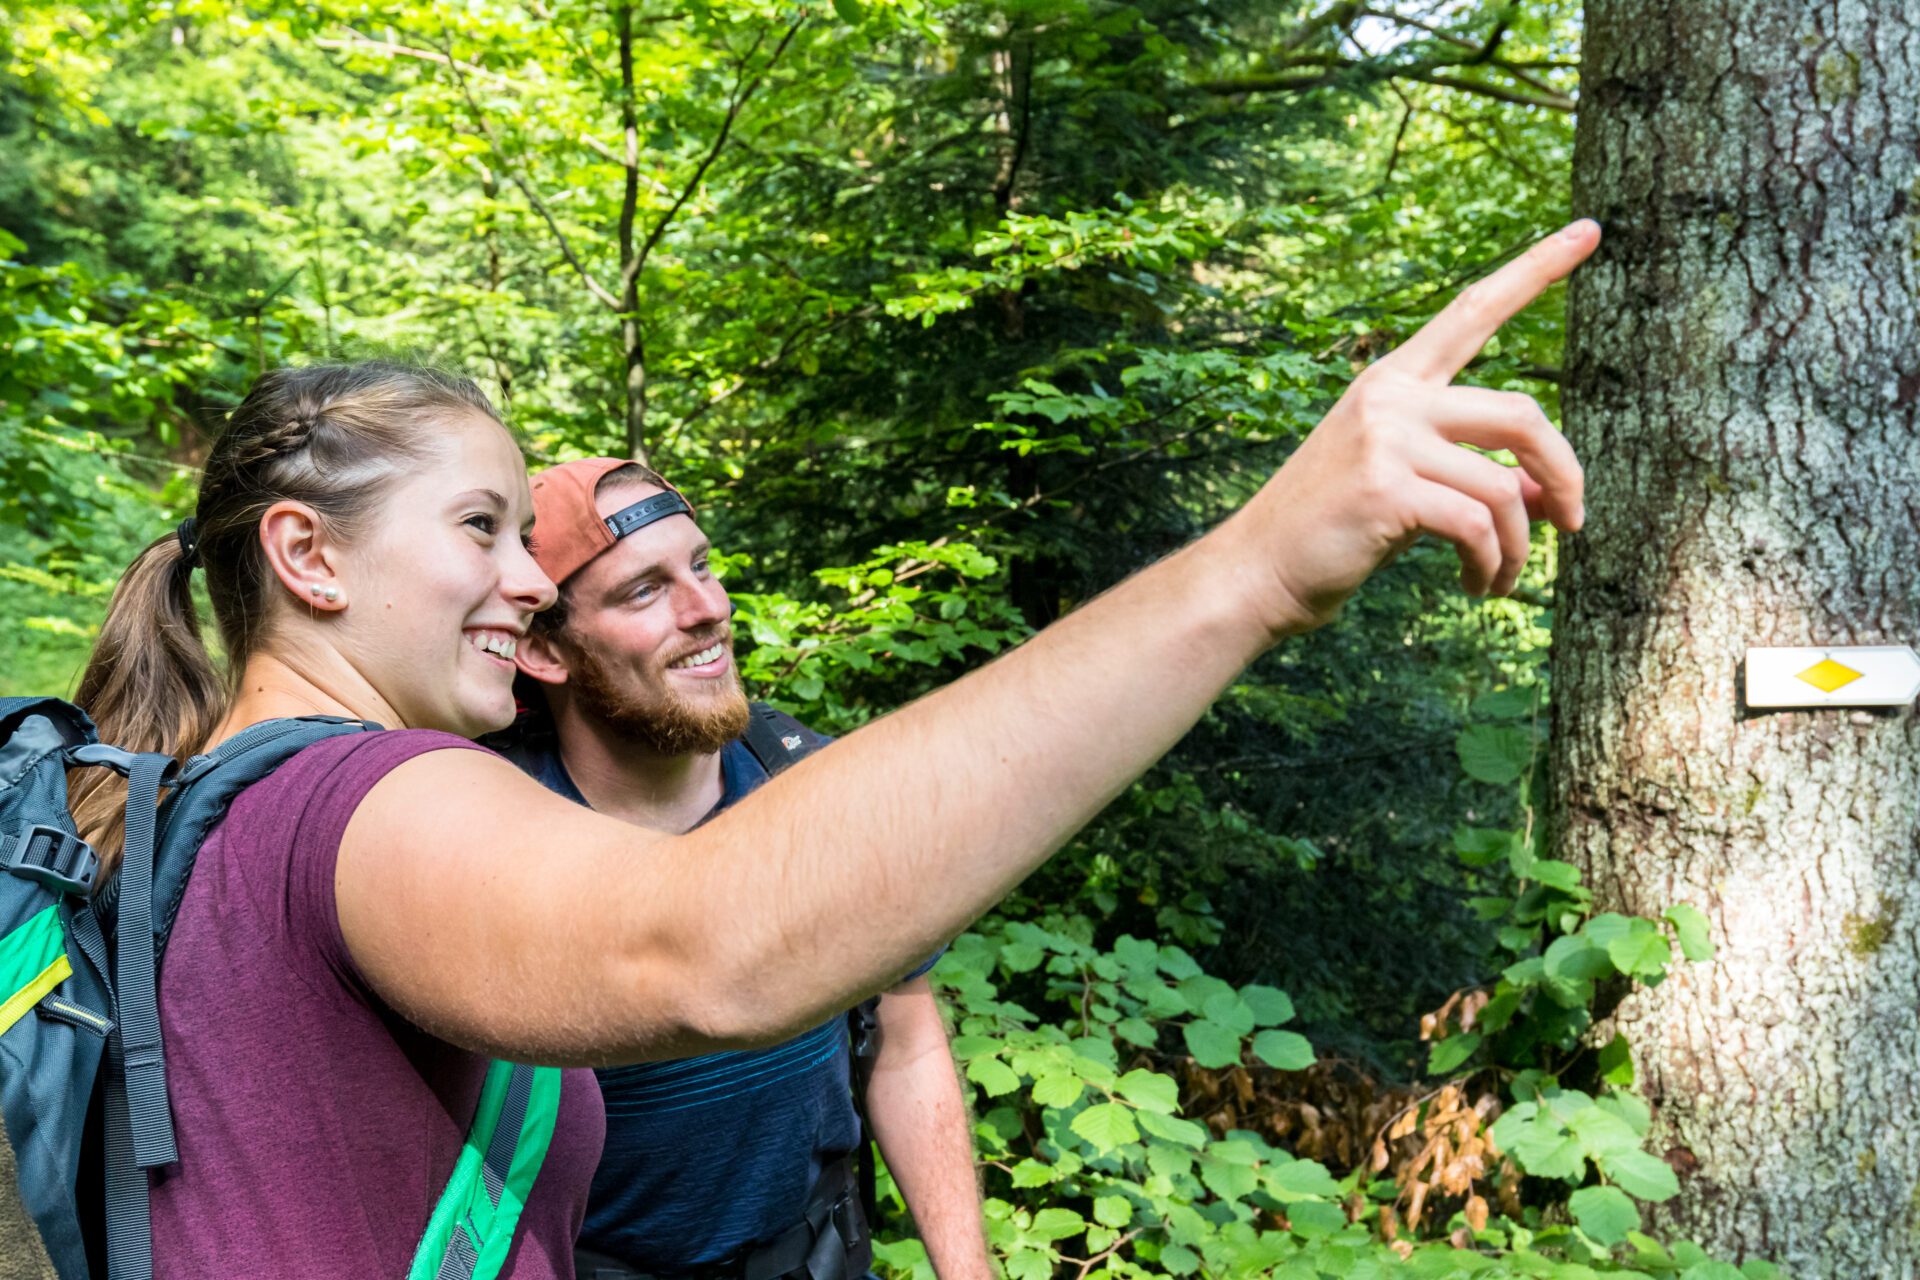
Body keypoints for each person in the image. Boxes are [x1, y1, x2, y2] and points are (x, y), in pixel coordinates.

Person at [63, 222, 1595, 1276]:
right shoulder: (349, 800)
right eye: (479, 527)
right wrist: (1252, 568)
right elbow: (701, 945)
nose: (525, 580)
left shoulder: (200, 799)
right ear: (307, 560)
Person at [503, 457, 989, 1280]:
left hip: (816, 1258)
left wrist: (967, 1271)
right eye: (644, 590)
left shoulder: (813, 789)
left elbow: (905, 1045)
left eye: (701, 565)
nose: (710, 609)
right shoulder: (490, 832)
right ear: (545, 650)